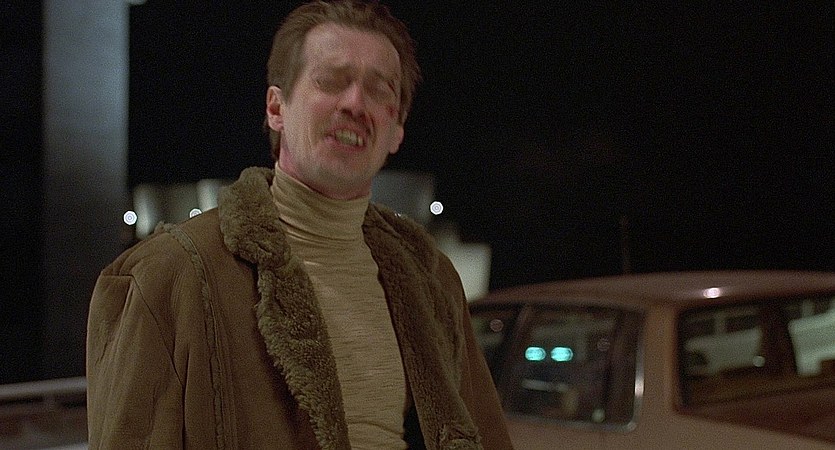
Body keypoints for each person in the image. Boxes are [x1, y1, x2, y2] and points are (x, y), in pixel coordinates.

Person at [86, 1, 513, 448]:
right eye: (331, 81)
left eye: (379, 90)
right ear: (276, 108)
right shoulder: (169, 277)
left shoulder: (432, 282)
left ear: (397, 130)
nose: (355, 103)